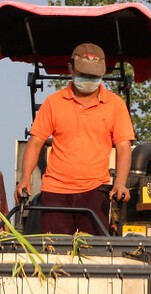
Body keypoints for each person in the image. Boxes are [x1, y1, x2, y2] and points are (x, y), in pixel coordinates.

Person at [13, 43, 135, 235]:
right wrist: (25, 179)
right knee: (53, 253)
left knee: (93, 254)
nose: (89, 80)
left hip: (95, 192)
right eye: (84, 75)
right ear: (71, 69)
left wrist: (120, 182)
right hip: (55, 192)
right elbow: (35, 143)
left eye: (94, 76)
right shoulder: (53, 103)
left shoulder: (115, 105)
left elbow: (123, 147)